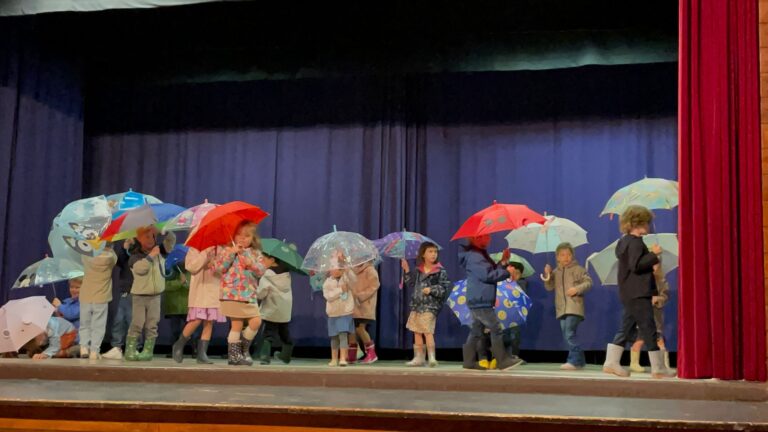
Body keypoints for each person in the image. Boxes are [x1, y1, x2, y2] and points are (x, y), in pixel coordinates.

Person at [602, 205, 674, 379]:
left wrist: (648, 255)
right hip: (638, 292)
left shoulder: (624, 241)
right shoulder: (635, 242)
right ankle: (658, 368)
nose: (649, 226)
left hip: (630, 292)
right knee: (649, 328)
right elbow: (637, 265)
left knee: (626, 327)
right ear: (639, 223)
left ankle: (611, 362)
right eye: (647, 222)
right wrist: (653, 255)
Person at [459, 235, 522, 371]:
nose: (488, 239)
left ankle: (468, 362)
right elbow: (487, 276)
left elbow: (489, 272)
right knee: (495, 328)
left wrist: (503, 263)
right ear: (476, 239)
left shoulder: (478, 255)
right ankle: (502, 360)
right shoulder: (475, 256)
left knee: (476, 331)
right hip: (481, 299)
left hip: (479, 299)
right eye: (485, 237)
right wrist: (506, 272)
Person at [213, 221, 265, 366]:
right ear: (233, 236)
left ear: (253, 238)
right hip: (232, 294)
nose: (242, 238)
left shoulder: (255, 253)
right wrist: (231, 254)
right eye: (239, 235)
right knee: (236, 325)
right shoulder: (227, 250)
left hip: (249, 294)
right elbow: (218, 268)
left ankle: (241, 348)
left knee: (256, 321)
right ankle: (234, 356)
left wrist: (251, 264)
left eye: (247, 236)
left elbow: (261, 270)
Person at [541, 242, 593, 370]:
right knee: (567, 335)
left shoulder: (578, 269)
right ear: (557, 257)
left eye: (569, 254)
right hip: (561, 308)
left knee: (569, 334)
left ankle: (574, 361)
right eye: (562, 255)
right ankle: (580, 361)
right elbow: (549, 287)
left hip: (574, 307)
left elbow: (588, 282)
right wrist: (548, 275)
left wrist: (576, 289)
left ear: (572, 256)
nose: (566, 257)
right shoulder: (555, 272)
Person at [171, 246, 226, 364]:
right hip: (200, 290)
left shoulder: (221, 249)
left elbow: (224, 269)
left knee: (209, 322)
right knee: (196, 320)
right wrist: (205, 254)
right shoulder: (195, 249)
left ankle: (202, 353)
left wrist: (215, 264)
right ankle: (179, 344)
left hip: (214, 289)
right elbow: (191, 267)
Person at [402, 241, 451, 367]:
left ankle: (432, 357)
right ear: (423, 254)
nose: (433, 254)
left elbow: (444, 288)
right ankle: (419, 358)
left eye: (435, 252)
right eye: (430, 251)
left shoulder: (440, 270)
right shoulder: (418, 270)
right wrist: (407, 270)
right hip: (417, 305)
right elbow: (411, 283)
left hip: (430, 306)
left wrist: (431, 289)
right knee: (417, 331)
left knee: (427, 331)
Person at [125, 226, 166, 361]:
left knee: (152, 324)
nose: (150, 240)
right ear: (138, 239)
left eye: (152, 236)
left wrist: (165, 231)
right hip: (140, 296)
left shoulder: (160, 251)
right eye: (146, 237)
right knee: (137, 323)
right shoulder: (135, 255)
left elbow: (171, 241)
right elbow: (140, 269)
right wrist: (151, 256)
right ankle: (130, 349)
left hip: (155, 296)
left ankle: (148, 351)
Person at [628, 263, 671, 372]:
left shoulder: (662, 281)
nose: (653, 267)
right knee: (641, 339)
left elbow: (665, 296)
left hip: (656, 316)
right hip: (644, 315)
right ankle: (634, 363)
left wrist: (658, 299)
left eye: (656, 264)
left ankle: (664, 364)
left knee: (659, 340)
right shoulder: (641, 280)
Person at [254, 253, 294, 365]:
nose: (261, 261)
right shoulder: (286, 273)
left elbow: (261, 293)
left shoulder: (267, 274)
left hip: (272, 308)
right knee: (284, 332)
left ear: (272, 260)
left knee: (269, 333)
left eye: (263, 259)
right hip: (284, 309)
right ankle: (286, 355)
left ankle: (264, 356)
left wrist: (256, 292)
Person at [79, 247, 118, 359]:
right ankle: (94, 351)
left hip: (86, 295)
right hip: (101, 297)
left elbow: (82, 251)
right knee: (98, 326)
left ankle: (84, 347)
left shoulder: (86, 256)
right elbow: (115, 259)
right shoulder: (111, 258)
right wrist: (111, 249)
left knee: (84, 323)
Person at [347, 261, 380, 365]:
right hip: (353, 305)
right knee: (351, 329)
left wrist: (360, 295)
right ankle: (352, 355)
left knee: (360, 328)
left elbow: (374, 286)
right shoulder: (351, 270)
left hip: (365, 305)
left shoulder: (370, 270)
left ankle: (371, 354)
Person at [323, 261, 355, 367]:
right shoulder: (327, 282)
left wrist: (348, 269)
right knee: (334, 337)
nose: (334, 270)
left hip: (345, 312)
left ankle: (343, 358)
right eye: (332, 267)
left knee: (343, 335)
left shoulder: (347, 279)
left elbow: (354, 280)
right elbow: (328, 296)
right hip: (333, 313)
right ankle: (334, 359)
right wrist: (340, 290)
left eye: (337, 268)